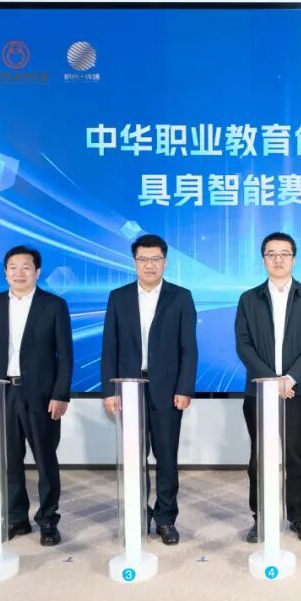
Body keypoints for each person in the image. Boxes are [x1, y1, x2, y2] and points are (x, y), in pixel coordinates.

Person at [101, 234, 197, 546]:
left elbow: (188, 348)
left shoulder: (180, 297)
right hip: (128, 389)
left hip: (168, 390)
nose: (149, 265)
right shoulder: (119, 297)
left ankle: (166, 519)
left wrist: (185, 388)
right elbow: (109, 346)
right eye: (143, 259)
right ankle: (138, 514)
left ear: (165, 262)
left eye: (155, 259)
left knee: (166, 457)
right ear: (134, 262)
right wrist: (109, 390)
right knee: (134, 457)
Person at [0, 245, 73, 546]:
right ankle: (17, 518)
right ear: (5, 272)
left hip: (42, 396)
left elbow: (65, 355)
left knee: (46, 460)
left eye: (26, 267)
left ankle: (48, 520)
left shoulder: (54, 305)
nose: (19, 273)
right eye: (13, 267)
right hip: (3, 392)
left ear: (37, 272)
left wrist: (61, 394)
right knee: (9, 461)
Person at [235, 232, 301, 544]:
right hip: (258, 391)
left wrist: (291, 378)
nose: (278, 259)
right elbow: (243, 345)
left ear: (293, 259)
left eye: (284, 253)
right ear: (263, 260)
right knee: (259, 457)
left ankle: (298, 516)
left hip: (296, 391)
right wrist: (271, 381)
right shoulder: (249, 298)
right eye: (271, 254)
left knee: (295, 455)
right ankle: (260, 517)